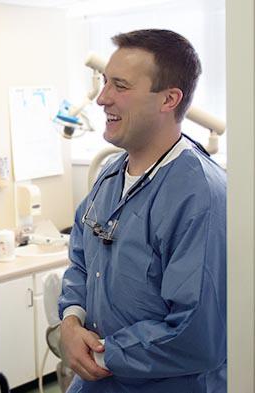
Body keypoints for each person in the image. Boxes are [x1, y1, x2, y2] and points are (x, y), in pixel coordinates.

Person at [58, 29, 226, 393]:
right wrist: (70, 323)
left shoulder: (201, 195)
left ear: (169, 99)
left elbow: (195, 332)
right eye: (104, 83)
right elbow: (81, 263)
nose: (102, 98)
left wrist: (99, 355)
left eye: (120, 85)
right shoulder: (109, 175)